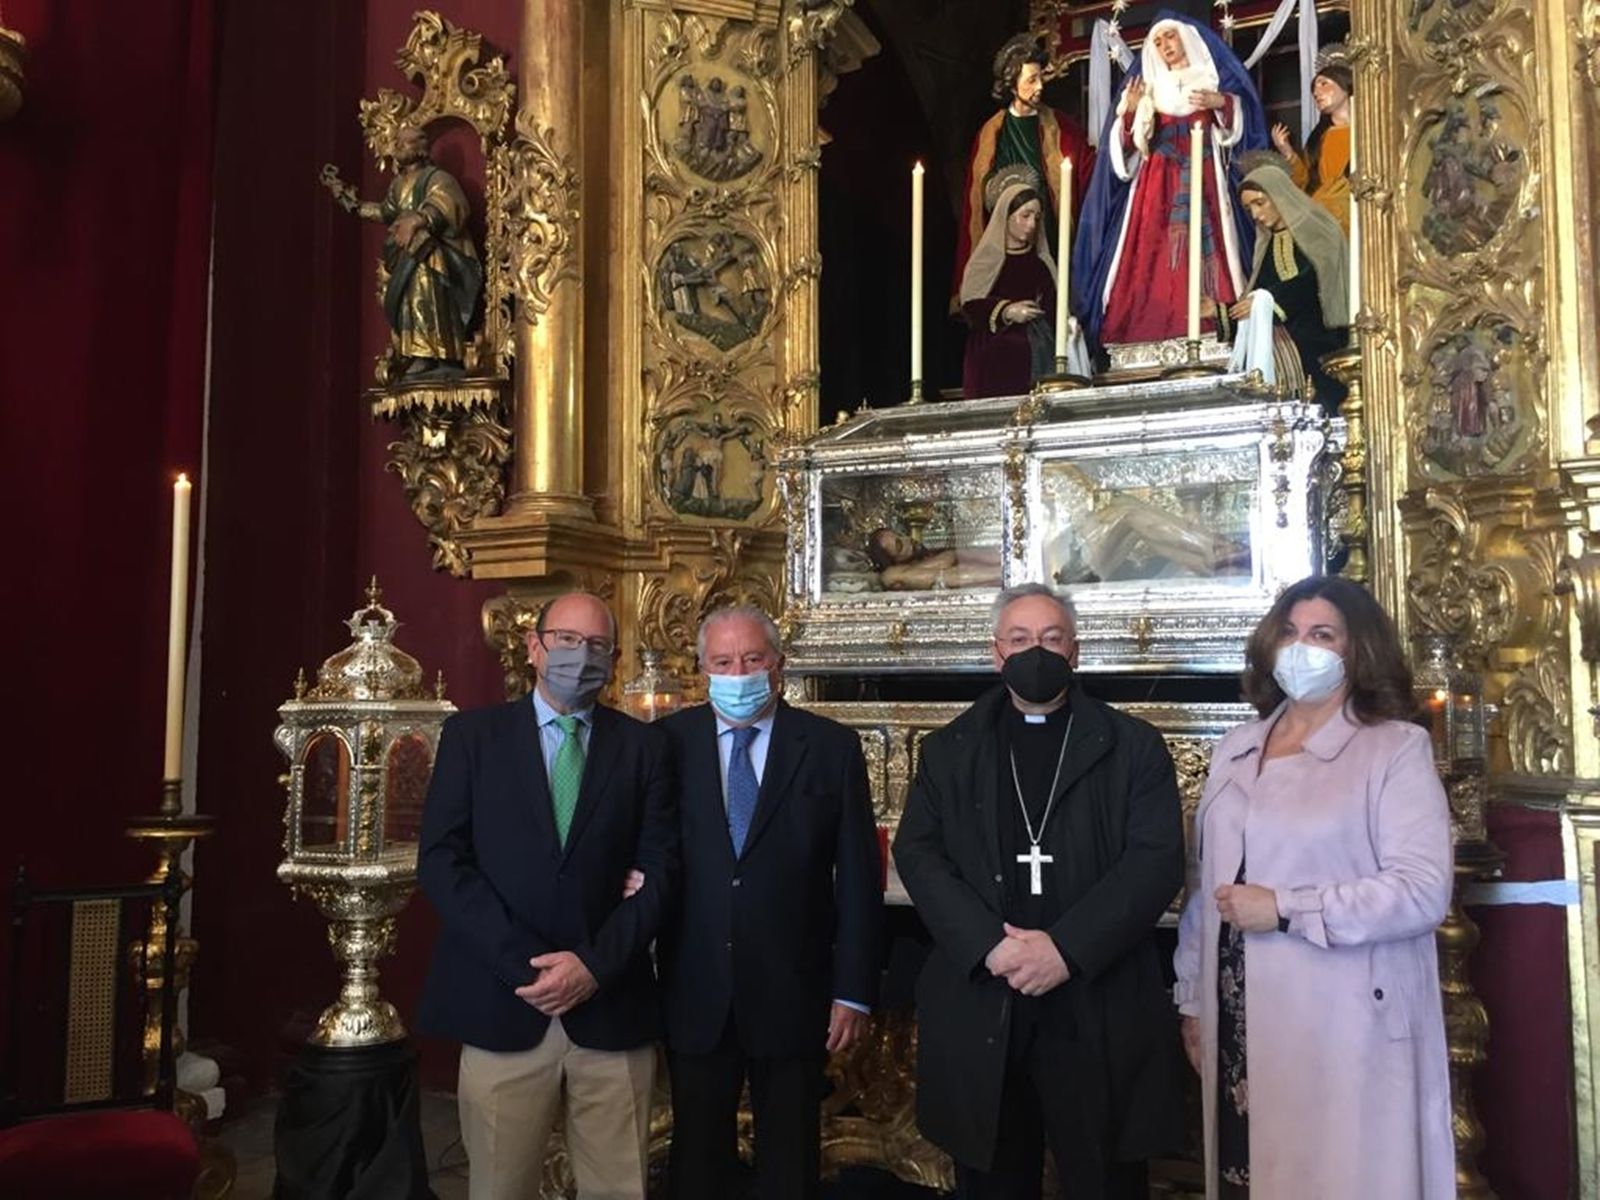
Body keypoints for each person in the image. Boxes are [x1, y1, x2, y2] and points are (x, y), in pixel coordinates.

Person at [893, 583, 1186, 1199]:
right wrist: (987, 947)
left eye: (1052, 639)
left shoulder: (1132, 746)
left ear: (1075, 652)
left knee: (1104, 1178)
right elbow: (917, 852)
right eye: (1021, 640)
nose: (1037, 651)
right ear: (996, 654)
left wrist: (1066, 949)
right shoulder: (951, 749)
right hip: (987, 1000)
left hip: (1095, 1000)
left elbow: (1156, 861)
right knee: (994, 1177)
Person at [1173, 576, 1454, 1198]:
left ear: (1358, 651)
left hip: (1344, 1020)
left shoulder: (1393, 748)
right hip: (1239, 1010)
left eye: (1322, 635)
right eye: (1291, 633)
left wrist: (1287, 909)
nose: (1302, 648)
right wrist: (1192, 996)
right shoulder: (1237, 746)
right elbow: (1208, 883)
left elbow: (1421, 889)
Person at [416, 591, 677, 1200]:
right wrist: (523, 966)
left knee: (620, 1187)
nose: (579, 657)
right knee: (499, 1187)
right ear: (534, 648)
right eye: (565, 640)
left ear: (613, 660)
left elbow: (663, 872)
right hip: (505, 1001)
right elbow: (442, 863)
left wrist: (593, 965)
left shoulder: (645, 749)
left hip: (612, 1008)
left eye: (596, 646)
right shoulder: (472, 738)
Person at [657, 605, 881, 1200]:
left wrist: (852, 989)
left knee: (791, 1161)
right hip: (694, 989)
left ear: (777, 666)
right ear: (702, 669)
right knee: (696, 1163)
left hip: (795, 990)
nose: (739, 673)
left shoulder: (830, 747)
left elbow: (859, 877)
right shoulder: (666, 744)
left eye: (753, 659)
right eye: (724, 662)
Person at [1073, 14, 1268, 347]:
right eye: (1158, 42)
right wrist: (1132, 112)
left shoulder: (1210, 78)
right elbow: (1123, 154)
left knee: (1210, 248)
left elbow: (1241, 129)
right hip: (1156, 186)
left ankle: (1212, 331)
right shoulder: (1147, 86)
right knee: (1150, 253)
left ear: (1185, 38)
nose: (1165, 47)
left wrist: (1221, 103)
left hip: (1205, 181)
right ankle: (1143, 335)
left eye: (1169, 38)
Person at [953, 33, 1091, 308]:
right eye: (1031, 80)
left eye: (1040, 78)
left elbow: (1088, 172)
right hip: (1009, 240)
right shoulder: (992, 133)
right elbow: (978, 198)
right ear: (1012, 85)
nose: (1039, 87)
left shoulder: (1061, 127)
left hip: (1051, 233)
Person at [1213, 159, 1349, 411]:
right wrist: (1220, 311)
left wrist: (1268, 300)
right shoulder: (1266, 245)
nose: (1255, 214)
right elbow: (1258, 298)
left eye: (1260, 203)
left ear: (1280, 195)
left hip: (1322, 348)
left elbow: (1312, 279)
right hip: (1283, 358)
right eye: (1248, 208)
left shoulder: (1320, 230)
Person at [356, 124, 484, 381]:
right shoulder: (397, 185)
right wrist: (355, 205)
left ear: (420, 148)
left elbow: (451, 204)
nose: (398, 148)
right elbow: (385, 211)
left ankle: (439, 353)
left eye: (404, 143)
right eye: (398, 143)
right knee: (409, 301)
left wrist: (420, 219)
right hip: (406, 256)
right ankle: (417, 354)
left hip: (431, 256)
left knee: (428, 294)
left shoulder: (437, 178)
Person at [960, 174, 1058, 398]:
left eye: (1036, 217)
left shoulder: (1042, 264)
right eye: (1025, 216)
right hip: (992, 353)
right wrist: (1007, 311)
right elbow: (970, 305)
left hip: (1037, 350)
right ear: (1006, 216)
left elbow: (1054, 306)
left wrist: (1067, 324)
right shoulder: (985, 261)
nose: (1032, 224)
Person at [1270, 44, 1353, 233]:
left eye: (1324, 84)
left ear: (1345, 84)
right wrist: (1288, 152)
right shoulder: (1319, 140)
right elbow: (1306, 182)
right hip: (1323, 218)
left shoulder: (1367, 131)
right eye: (1314, 90)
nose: (1317, 93)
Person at [865, 526, 1004, 591]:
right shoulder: (890, 575)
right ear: (891, 559)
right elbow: (943, 573)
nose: (908, 540)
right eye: (900, 545)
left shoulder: (923, 559)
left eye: (901, 534)